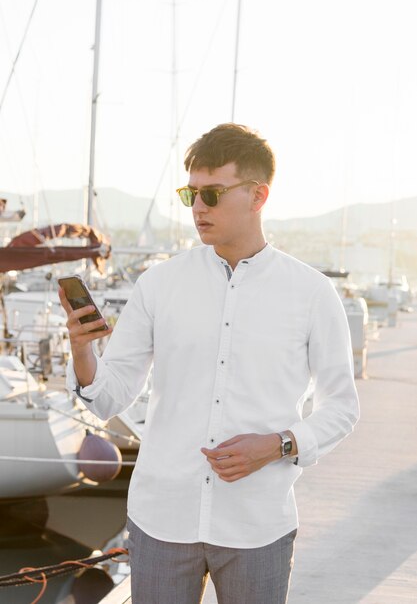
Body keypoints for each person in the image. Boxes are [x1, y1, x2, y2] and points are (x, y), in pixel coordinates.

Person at [59, 123, 360, 604]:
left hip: (257, 523)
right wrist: (81, 349)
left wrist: (279, 444)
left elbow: (342, 407)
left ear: (258, 195)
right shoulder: (159, 284)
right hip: (161, 518)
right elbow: (109, 396)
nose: (198, 208)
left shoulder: (312, 293)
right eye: (191, 194)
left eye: (213, 193)